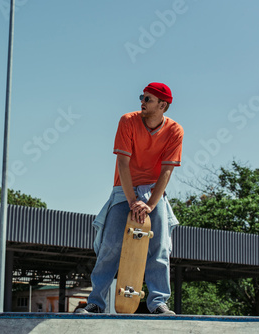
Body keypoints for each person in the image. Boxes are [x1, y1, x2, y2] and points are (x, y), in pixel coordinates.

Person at [76, 82, 183, 315]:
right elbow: (122, 163)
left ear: (163, 105)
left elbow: (167, 171)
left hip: (155, 192)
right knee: (111, 245)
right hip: (124, 189)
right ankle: (96, 302)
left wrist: (151, 204)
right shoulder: (128, 121)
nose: (142, 102)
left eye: (148, 99)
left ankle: (157, 303)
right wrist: (133, 199)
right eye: (142, 97)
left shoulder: (175, 131)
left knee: (160, 247)